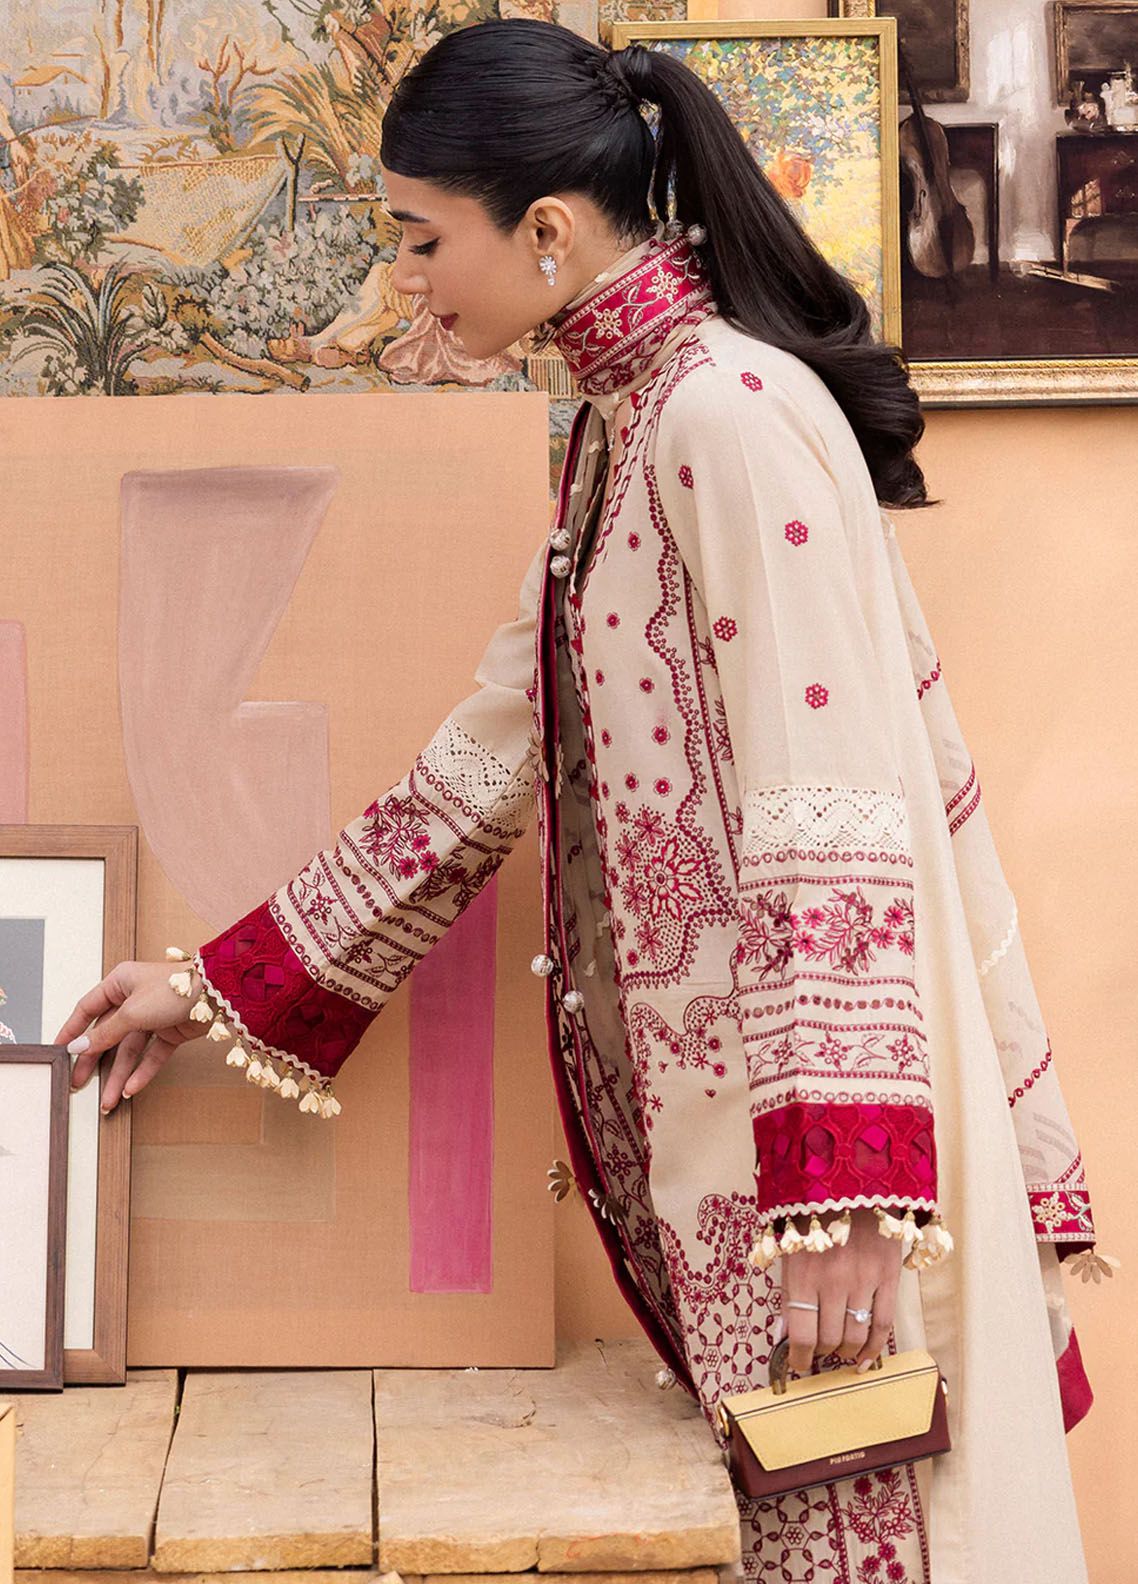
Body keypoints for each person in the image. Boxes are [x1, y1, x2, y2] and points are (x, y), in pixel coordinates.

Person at [55, 20, 1099, 1581]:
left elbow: (826, 806)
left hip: (823, 1177)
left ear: (544, 230)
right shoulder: (628, 429)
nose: (406, 278)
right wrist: (212, 984)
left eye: (423, 239)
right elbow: (488, 761)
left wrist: (844, 1199)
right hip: (741, 1152)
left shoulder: (724, 418)